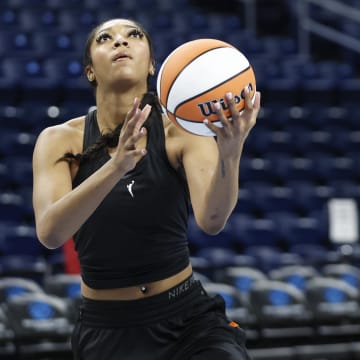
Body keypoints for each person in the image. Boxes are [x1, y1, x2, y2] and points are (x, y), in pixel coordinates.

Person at [32, 18, 260, 360]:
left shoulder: (181, 131)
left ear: (153, 64)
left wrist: (230, 153)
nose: (120, 42)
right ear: (90, 70)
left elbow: (212, 220)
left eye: (133, 35)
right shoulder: (57, 140)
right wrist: (116, 166)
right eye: (105, 38)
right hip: (106, 329)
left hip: (188, 318)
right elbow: (51, 232)